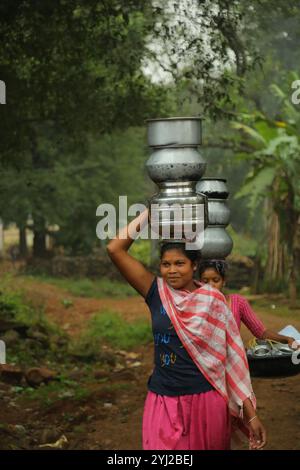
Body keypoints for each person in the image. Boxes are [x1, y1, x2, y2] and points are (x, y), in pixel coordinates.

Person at [107, 210, 267, 450]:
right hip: (163, 399)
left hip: (207, 400)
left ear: (194, 266)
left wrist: (251, 414)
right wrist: (151, 213)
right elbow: (114, 249)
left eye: (180, 263)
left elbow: (231, 359)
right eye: (166, 264)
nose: (172, 270)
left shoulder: (213, 300)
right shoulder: (156, 293)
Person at [198, 259, 298, 348]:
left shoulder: (237, 302)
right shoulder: (194, 305)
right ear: (199, 283)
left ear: (224, 281)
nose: (210, 285)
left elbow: (261, 332)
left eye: (216, 280)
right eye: (205, 281)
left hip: (233, 361)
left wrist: (286, 339)